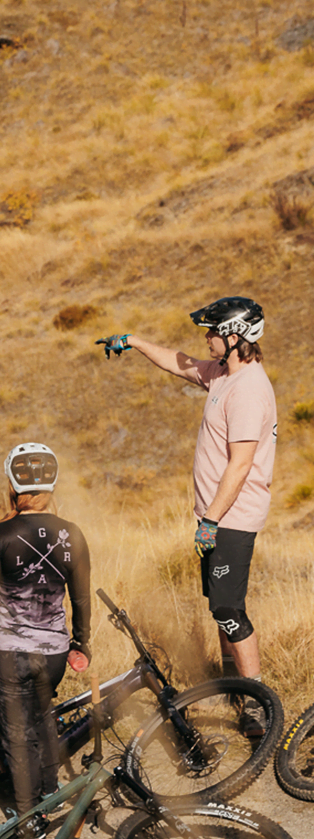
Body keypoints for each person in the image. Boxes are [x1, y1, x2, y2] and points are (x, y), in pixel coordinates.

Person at [98, 296, 275, 735]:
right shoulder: (223, 375)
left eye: (213, 330)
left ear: (235, 337)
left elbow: (241, 464)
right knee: (219, 608)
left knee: (229, 607)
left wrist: (212, 519)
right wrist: (133, 341)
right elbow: (181, 364)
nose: (207, 337)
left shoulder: (250, 391)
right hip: (215, 517)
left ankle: (258, 702)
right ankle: (237, 686)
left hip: (232, 518)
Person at [0, 444, 91, 839]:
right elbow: (82, 598)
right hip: (52, 651)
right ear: (53, 484)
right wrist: (81, 644)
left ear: (12, 483)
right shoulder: (72, 533)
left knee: (15, 734)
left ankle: (27, 820)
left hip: (7, 650)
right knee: (43, 721)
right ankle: (52, 793)